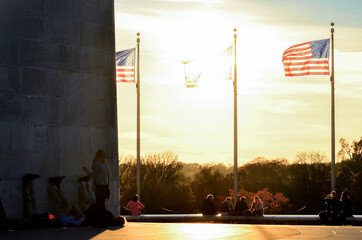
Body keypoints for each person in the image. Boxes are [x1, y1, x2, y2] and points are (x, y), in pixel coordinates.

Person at [83, 149, 110, 227]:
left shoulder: (96, 163)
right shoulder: (106, 164)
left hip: (99, 187)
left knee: (98, 205)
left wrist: (86, 170)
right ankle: (103, 222)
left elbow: (92, 175)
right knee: (102, 205)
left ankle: (98, 223)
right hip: (105, 187)